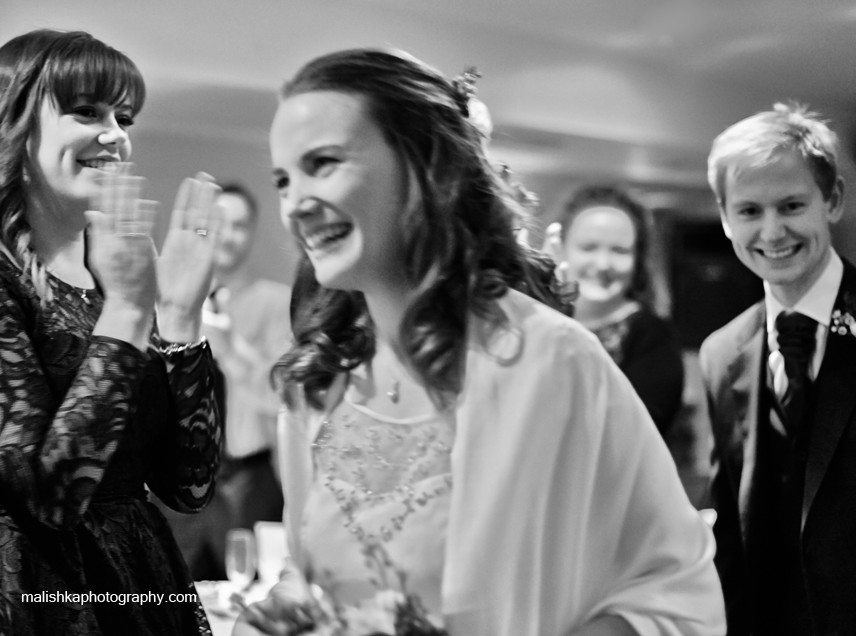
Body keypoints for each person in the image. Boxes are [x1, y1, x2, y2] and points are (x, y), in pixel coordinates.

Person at [235, 48, 724, 636]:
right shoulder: (316, 385)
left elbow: (673, 590)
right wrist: (284, 614)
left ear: (423, 166)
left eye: (324, 163)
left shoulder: (551, 361)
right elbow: (312, 571)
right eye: (284, 180)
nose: (296, 205)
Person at [700, 102, 856, 635]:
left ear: (833, 200)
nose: (772, 232)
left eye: (792, 205)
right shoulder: (720, 353)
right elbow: (730, 531)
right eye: (749, 211)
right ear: (725, 218)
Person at [0, 29, 222, 635]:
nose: (116, 135)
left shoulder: (114, 267)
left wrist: (178, 314)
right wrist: (128, 308)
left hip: (141, 582)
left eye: (124, 117)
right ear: (12, 124)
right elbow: (49, 496)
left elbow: (190, 486)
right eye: (86, 111)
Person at [160, 183, 290, 581]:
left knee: (252, 591)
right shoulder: (166, 305)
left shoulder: (278, 304)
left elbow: (282, 400)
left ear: (252, 231)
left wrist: (231, 347)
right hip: (175, 484)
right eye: (219, 223)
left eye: (240, 225)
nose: (228, 235)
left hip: (249, 481)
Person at [555, 185, 684, 435]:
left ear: (638, 259)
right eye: (589, 248)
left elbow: (639, 433)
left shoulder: (652, 335)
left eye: (619, 250)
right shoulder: (537, 323)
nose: (603, 264)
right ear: (561, 249)